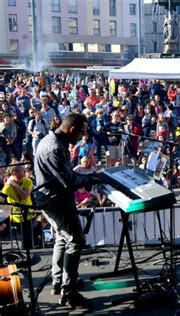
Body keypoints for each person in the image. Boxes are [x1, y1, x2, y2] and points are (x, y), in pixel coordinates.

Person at [33, 113, 101, 308]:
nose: (83, 136)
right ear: (72, 130)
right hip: (56, 201)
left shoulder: (49, 139)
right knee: (76, 240)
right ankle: (68, 292)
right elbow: (68, 181)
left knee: (63, 238)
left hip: (51, 199)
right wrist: (91, 179)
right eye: (82, 132)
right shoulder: (55, 148)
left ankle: (58, 282)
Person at [1, 165, 42, 249]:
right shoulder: (7, 188)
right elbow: (2, 200)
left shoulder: (27, 181)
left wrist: (13, 183)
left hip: (30, 214)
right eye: (23, 170)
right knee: (25, 239)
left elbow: (25, 195)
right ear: (15, 173)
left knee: (31, 235)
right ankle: (26, 255)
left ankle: (31, 251)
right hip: (17, 217)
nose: (25, 171)